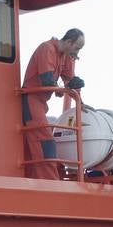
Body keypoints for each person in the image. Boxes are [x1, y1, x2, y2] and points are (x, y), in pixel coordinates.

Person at [20, 28, 84, 180]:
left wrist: (80, 101)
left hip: (40, 103)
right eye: (77, 48)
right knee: (45, 143)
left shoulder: (65, 56)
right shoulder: (47, 48)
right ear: (68, 42)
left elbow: (69, 79)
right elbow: (47, 80)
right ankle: (50, 182)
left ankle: (32, 180)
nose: (77, 53)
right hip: (30, 100)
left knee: (32, 146)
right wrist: (64, 88)